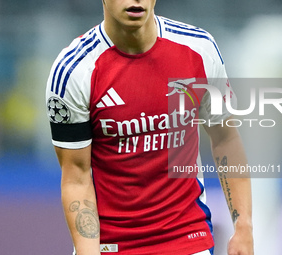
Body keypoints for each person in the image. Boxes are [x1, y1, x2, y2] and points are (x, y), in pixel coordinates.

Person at [46, 1, 254, 254]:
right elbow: (76, 177)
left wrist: (243, 227)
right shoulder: (74, 72)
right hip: (113, 246)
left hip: (187, 238)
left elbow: (225, 138)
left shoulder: (199, 49)